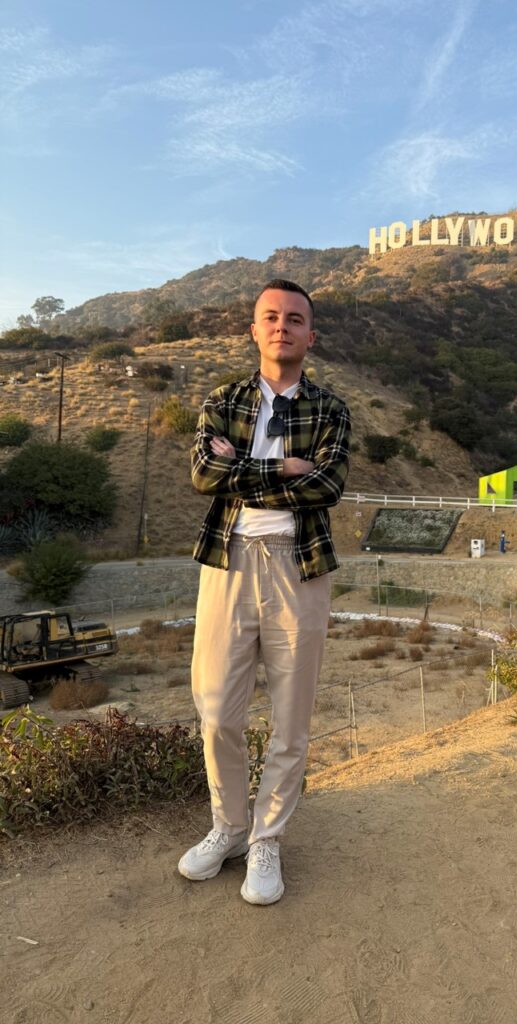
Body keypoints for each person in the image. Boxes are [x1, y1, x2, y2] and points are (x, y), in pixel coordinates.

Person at [178, 279, 351, 905]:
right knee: (218, 708)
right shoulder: (221, 401)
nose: (282, 326)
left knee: (290, 715)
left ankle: (267, 837)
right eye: (270, 317)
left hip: (298, 567)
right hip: (227, 563)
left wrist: (241, 471)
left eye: (295, 318)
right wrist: (282, 467)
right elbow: (204, 474)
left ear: (310, 334)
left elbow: (326, 487)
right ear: (254, 330)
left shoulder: (331, 410)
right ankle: (229, 824)